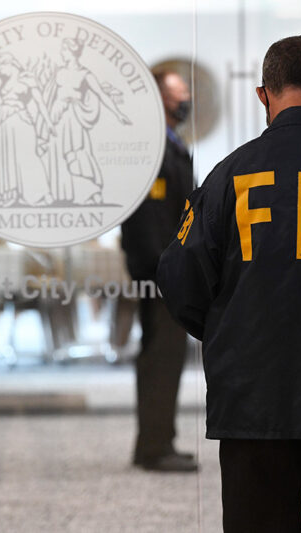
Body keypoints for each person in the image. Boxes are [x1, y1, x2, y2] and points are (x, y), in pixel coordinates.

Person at [157, 36, 301, 532]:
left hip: (254, 398)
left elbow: (179, 279)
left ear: (263, 95)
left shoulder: (230, 175)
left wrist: (228, 333)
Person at [121, 70, 197, 472]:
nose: (185, 99)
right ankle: (154, 448)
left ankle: (158, 441)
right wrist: (162, 269)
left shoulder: (171, 144)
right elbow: (148, 220)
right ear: (159, 100)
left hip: (168, 269)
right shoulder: (150, 149)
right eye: (178, 93)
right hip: (159, 273)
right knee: (160, 358)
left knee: (166, 357)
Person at [39, 37, 131, 205]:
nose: (62, 53)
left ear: (72, 52)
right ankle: (60, 194)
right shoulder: (58, 72)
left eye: (64, 50)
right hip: (57, 117)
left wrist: (118, 114)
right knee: (55, 155)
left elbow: (102, 95)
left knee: (76, 154)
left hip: (72, 118)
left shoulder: (85, 74)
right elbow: (48, 96)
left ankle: (93, 192)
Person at [0, 52, 55, 208]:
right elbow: (3, 104)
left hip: (20, 122)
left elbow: (40, 103)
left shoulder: (27, 79)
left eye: (1, 68)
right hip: (4, 124)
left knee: (29, 158)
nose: (0, 72)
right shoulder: (7, 81)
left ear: (9, 64)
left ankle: (43, 194)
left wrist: (49, 123)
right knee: (7, 159)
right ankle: (11, 194)